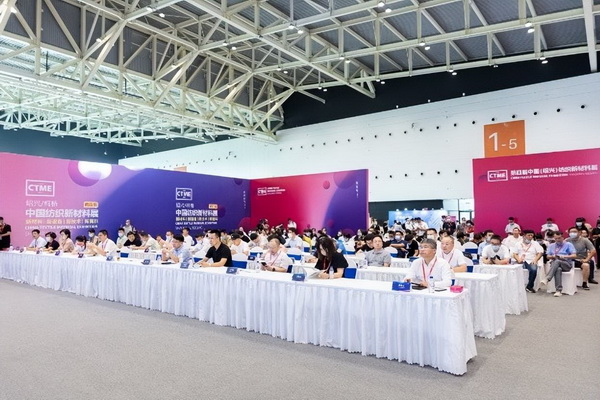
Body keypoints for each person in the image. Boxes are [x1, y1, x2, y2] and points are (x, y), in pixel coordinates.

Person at [540, 232, 576, 297]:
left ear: (563, 237)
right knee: (558, 269)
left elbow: (574, 255)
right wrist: (552, 256)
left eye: (559, 238)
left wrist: (565, 256)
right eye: (556, 238)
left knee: (557, 261)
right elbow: (547, 256)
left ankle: (547, 278)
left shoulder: (568, 244)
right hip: (555, 264)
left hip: (566, 264)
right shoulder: (551, 245)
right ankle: (558, 291)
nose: (557, 240)